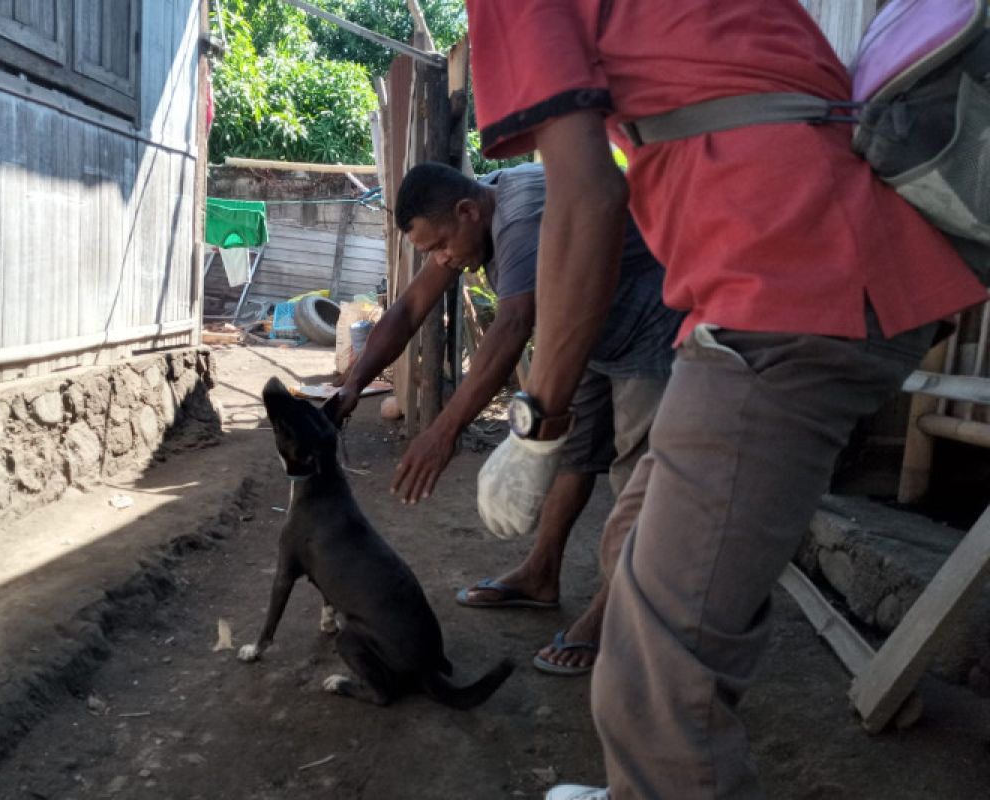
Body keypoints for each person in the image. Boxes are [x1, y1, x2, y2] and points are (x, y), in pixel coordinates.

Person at [465, 1, 987, 798]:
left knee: (653, 682)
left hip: (784, 289)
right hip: (777, 283)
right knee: (633, 543)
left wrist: (537, 425)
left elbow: (588, 199)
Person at [327, 161, 683, 675]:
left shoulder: (519, 220)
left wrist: (443, 431)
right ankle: (541, 575)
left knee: (637, 482)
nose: (442, 259)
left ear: (467, 212)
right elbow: (408, 310)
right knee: (571, 453)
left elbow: (514, 323)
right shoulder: (474, 210)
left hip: (650, 324)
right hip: (586, 333)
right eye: (432, 251)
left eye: (440, 245)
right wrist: (353, 385)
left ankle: (613, 614)